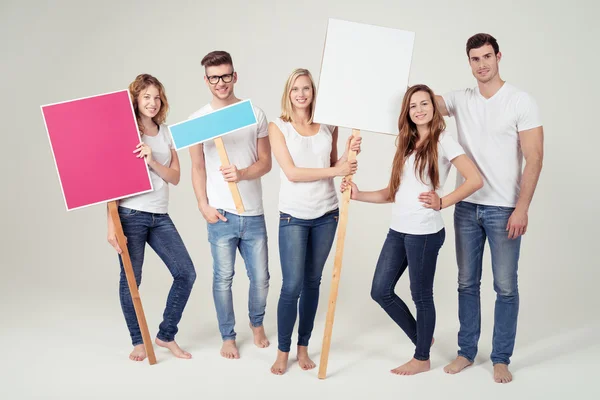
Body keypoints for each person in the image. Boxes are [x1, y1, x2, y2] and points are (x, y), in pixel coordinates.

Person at [341, 84, 482, 376]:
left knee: (421, 296)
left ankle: (421, 357)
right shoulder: (405, 144)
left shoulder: (444, 141)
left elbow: (474, 179)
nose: (419, 110)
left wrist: (442, 201)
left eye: (424, 104)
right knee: (380, 290)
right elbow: (393, 193)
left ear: (433, 107)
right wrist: (358, 194)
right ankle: (423, 337)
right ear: (407, 111)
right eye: (413, 105)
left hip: (424, 232)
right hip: (399, 229)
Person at [436, 33, 544, 383]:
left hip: (503, 210)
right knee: (466, 283)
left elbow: (535, 158)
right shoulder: (459, 99)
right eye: (474, 59)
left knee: (505, 286)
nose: (481, 64)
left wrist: (522, 208)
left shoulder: (520, 101)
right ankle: (467, 351)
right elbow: (417, 102)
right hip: (466, 207)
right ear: (468, 62)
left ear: (498, 56)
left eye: (486, 57)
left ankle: (500, 357)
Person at [269, 68, 361, 375]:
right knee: (291, 285)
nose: (301, 94)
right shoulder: (278, 127)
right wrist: (335, 171)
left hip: (326, 214)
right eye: (296, 88)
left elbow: (332, 163)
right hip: (293, 216)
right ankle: (283, 351)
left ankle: (303, 347)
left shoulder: (328, 125)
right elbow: (293, 173)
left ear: (313, 92)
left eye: (306, 88)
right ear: (288, 92)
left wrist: (347, 157)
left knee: (312, 283)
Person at [107, 73, 197, 361]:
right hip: (130, 213)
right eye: (146, 96)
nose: (152, 102)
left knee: (186, 273)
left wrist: (153, 161)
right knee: (132, 279)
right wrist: (111, 223)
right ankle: (138, 340)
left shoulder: (167, 132)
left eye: (157, 97)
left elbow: (176, 177)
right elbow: (109, 180)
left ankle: (165, 335)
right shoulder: (126, 130)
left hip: (160, 215)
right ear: (136, 98)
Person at [189, 51, 271, 359]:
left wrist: (242, 173)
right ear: (206, 80)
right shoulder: (198, 121)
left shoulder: (254, 114)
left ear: (234, 76)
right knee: (222, 278)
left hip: (252, 212)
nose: (221, 83)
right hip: (220, 214)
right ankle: (227, 335)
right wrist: (202, 205)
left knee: (261, 279)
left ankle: (257, 323)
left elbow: (265, 163)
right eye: (214, 77)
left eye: (226, 76)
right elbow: (197, 167)